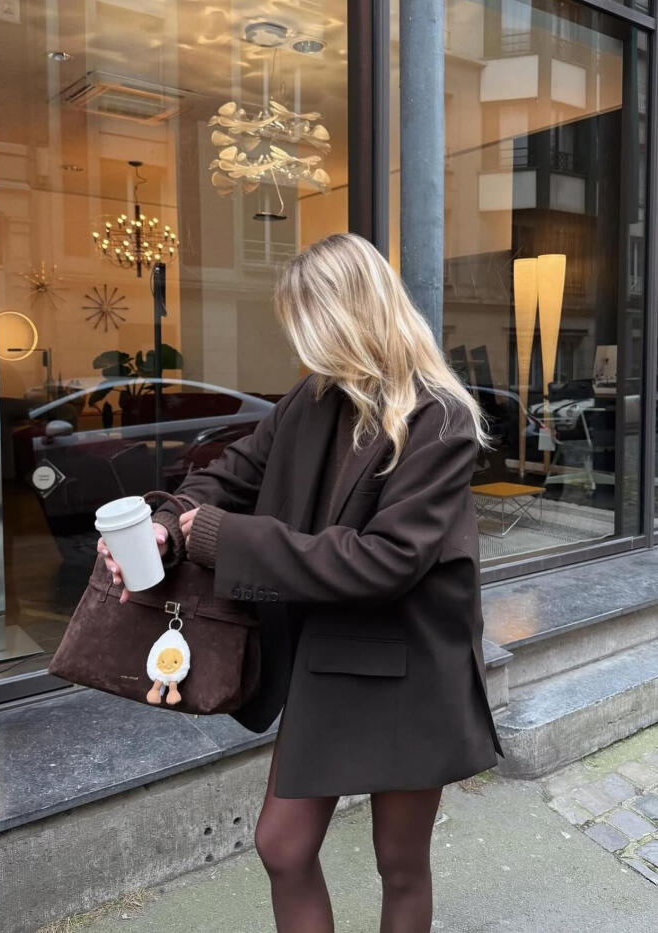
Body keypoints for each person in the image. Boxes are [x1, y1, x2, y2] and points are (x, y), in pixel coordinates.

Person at [98, 232, 504, 932]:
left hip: (411, 667)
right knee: (281, 846)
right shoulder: (311, 400)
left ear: (349, 315)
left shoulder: (440, 418)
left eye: (307, 321)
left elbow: (385, 561)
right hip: (329, 657)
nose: (300, 341)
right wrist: (166, 524)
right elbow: (228, 476)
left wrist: (224, 538)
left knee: (400, 862)